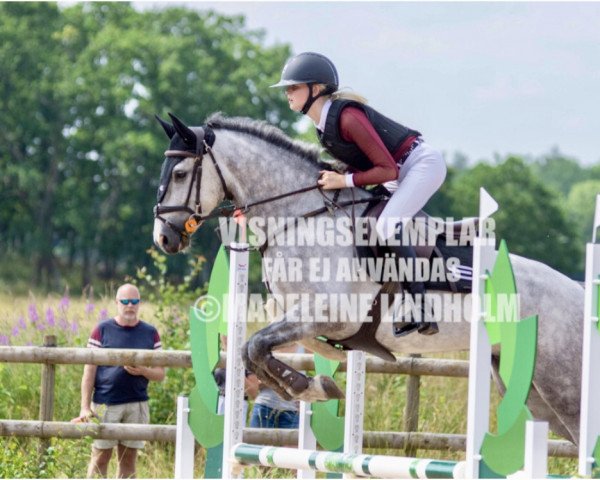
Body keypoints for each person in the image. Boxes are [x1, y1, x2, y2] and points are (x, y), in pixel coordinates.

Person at [270, 52, 447, 337]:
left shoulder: (347, 117)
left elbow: (387, 170)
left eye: (294, 87)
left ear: (316, 89)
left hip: (419, 166)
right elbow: (360, 166)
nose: (287, 93)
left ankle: (421, 308)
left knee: (387, 225)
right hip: (398, 173)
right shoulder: (322, 127)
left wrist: (344, 180)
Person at [75, 283, 165, 479]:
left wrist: (142, 370)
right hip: (106, 403)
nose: (130, 306)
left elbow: (160, 374)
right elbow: (88, 371)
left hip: (137, 404)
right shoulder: (101, 330)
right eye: (125, 301)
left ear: (139, 303)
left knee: (128, 461)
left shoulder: (150, 332)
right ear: (117, 302)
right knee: (100, 458)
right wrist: (84, 407)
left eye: (134, 301)